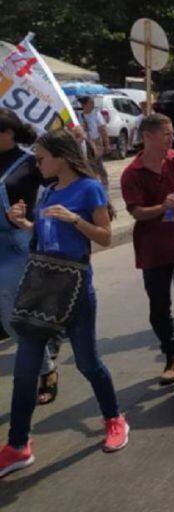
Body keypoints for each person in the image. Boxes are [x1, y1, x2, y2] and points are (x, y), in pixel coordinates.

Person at [0, 130, 128, 477]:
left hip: (75, 288)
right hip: (41, 287)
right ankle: (18, 445)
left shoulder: (89, 189)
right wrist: (23, 223)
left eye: (41, 158)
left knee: (88, 362)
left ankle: (115, 418)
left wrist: (76, 220)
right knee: (26, 370)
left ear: (61, 157)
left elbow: (104, 236)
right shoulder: (46, 191)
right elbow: (42, 238)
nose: (36, 164)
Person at [120, 113, 174, 387]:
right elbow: (137, 212)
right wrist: (162, 208)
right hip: (154, 248)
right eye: (166, 134)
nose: (172, 138)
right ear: (148, 136)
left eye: (172, 133)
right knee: (159, 307)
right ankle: (172, 355)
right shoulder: (132, 174)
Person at [0, 110, 59, 405]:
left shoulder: (29, 162)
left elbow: (58, 189)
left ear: (8, 133)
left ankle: (46, 368)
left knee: (15, 314)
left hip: (18, 244)